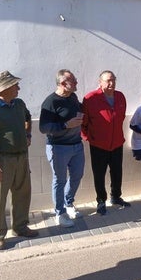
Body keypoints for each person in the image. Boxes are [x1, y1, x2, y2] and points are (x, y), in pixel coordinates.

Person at [0, 71, 38, 250]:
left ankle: (20, 227)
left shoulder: (18, 104)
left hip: (21, 157)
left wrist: (28, 134)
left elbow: (27, 118)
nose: (18, 88)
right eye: (15, 85)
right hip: (1, 160)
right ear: (4, 88)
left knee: (22, 194)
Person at [39, 69, 85, 228]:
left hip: (77, 145)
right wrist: (65, 125)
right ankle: (60, 213)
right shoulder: (50, 102)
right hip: (58, 147)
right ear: (63, 84)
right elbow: (43, 128)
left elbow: (77, 109)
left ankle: (69, 203)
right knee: (59, 180)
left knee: (77, 176)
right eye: (74, 80)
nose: (77, 82)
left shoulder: (72, 97)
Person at [82, 70, 130, 216]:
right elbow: (83, 123)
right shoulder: (90, 98)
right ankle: (101, 201)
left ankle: (116, 196)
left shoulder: (120, 96)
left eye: (113, 80)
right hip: (98, 144)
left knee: (117, 171)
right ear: (100, 82)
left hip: (116, 142)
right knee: (99, 174)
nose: (111, 83)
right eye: (108, 80)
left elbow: (120, 118)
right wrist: (88, 138)